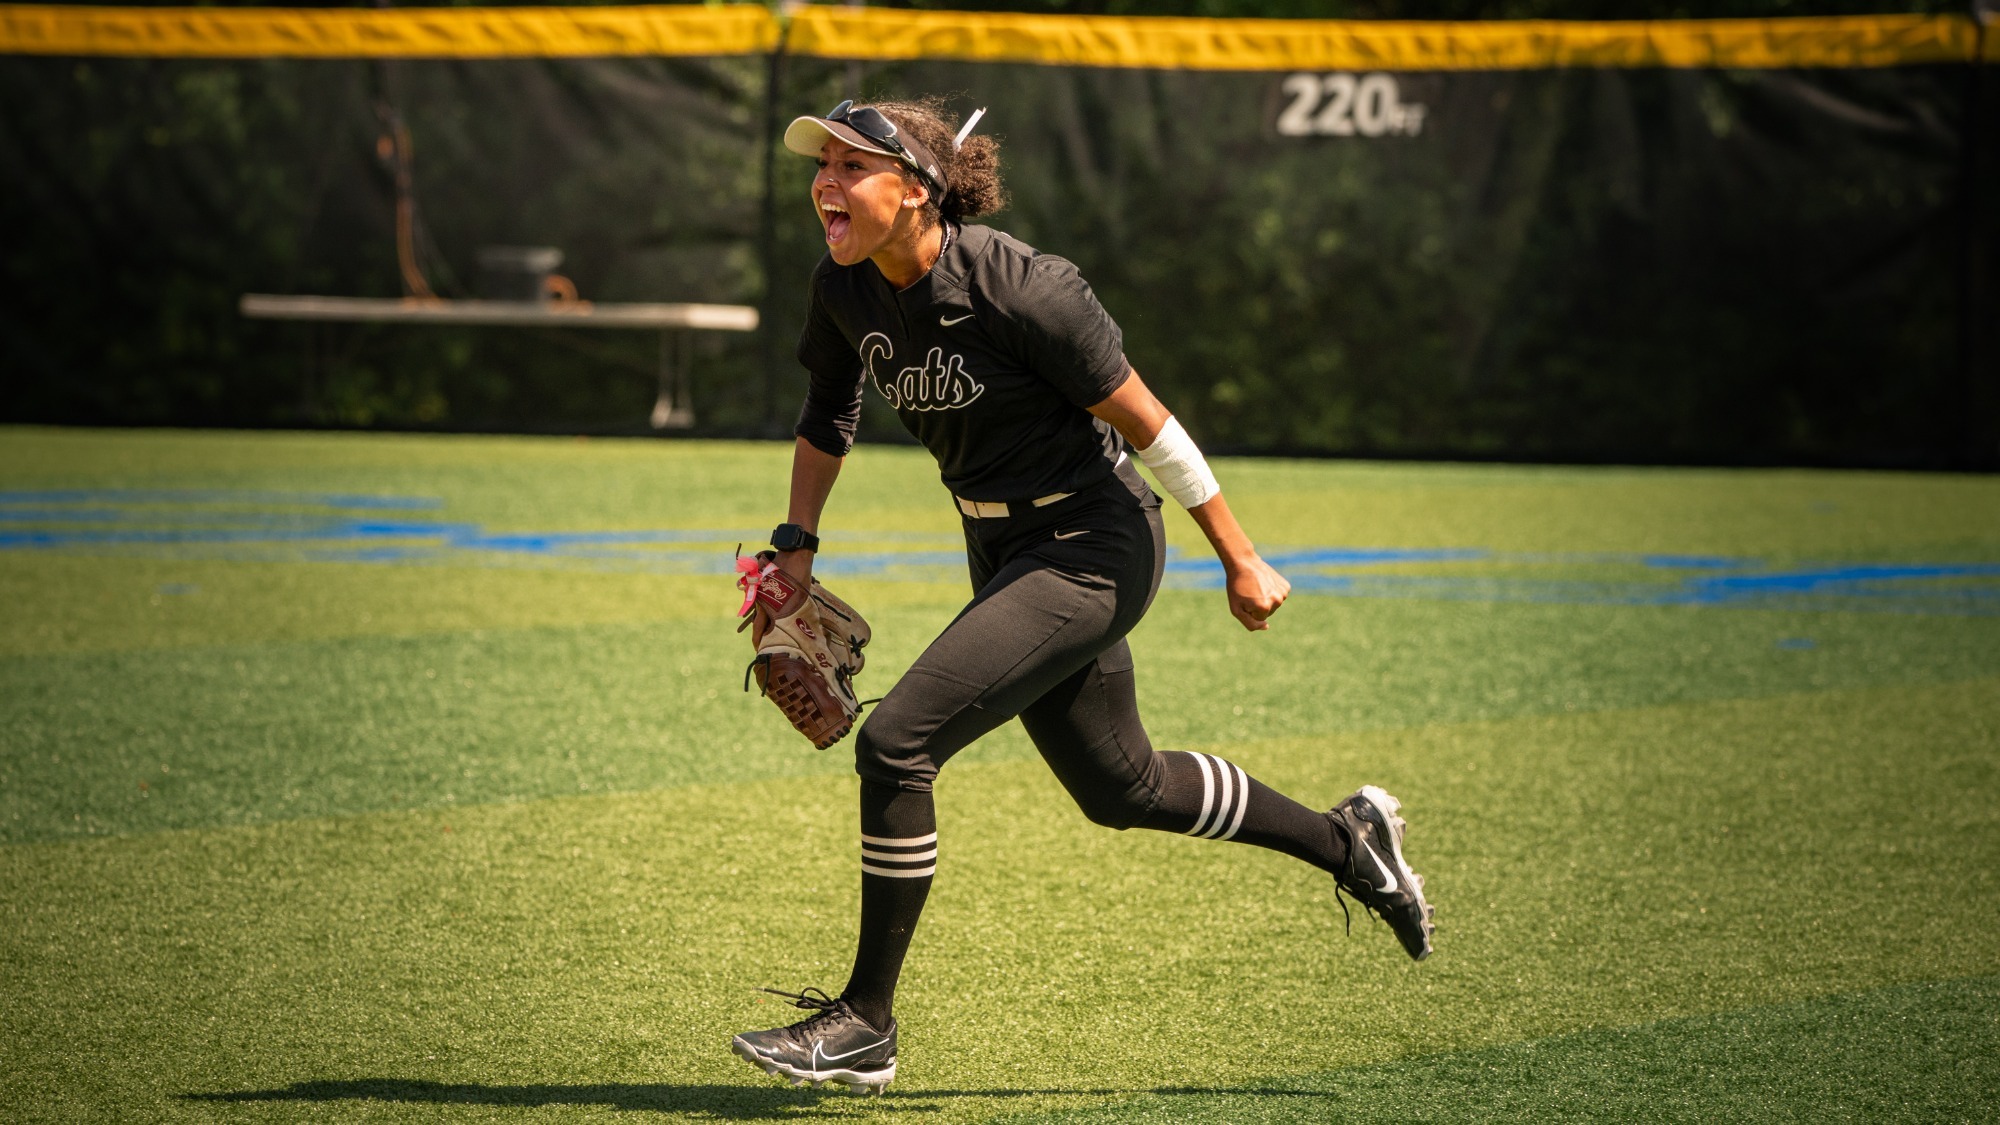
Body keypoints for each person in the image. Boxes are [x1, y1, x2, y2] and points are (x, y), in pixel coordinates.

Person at [730, 97, 1434, 1096]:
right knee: (1122, 788)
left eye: (851, 167)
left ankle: (865, 1025)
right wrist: (796, 545)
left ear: (917, 190)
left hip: (1093, 544)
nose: (825, 186)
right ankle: (1348, 841)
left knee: (897, 744)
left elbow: (1149, 423)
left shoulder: (1023, 287)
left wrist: (1238, 557)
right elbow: (825, 410)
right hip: (1000, 546)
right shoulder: (842, 286)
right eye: (821, 167)